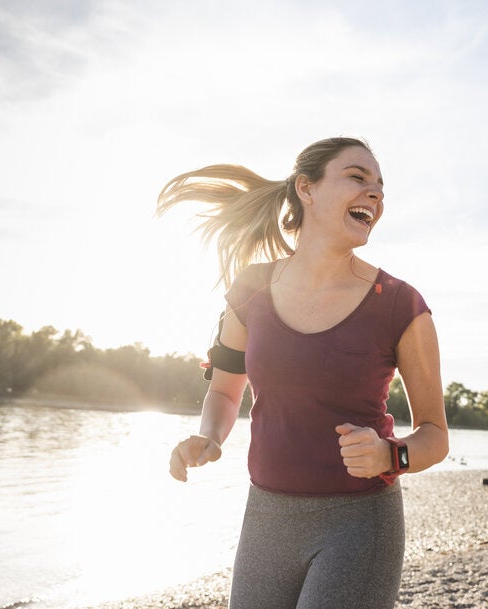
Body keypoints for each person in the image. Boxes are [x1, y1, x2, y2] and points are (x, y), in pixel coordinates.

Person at [157, 137, 449, 609]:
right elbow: (227, 392)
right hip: (266, 517)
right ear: (306, 189)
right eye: (357, 177)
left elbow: (436, 435)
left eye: (380, 187)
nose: (375, 194)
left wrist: (389, 456)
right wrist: (210, 438)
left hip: (359, 521)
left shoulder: (400, 304)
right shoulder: (250, 288)